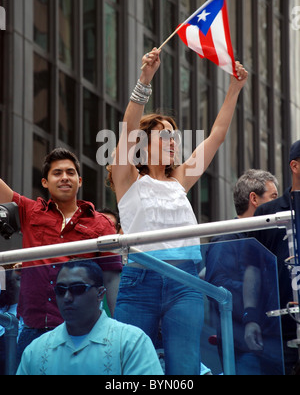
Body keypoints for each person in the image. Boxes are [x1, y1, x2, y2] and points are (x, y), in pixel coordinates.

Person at [107, 48, 248, 375]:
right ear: (143, 145)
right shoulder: (127, 179)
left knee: (184, 369)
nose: (174, 142)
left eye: (176, 136)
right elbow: (127, 131)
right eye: (165, 136)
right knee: (128, 368)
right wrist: (145, 79)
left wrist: (234, 89)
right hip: (139, 281)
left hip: (184, 283)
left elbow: (216, 136)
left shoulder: (179, 178)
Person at [0, 148, 122, 358]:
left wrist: (117, 329)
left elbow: (111, 278)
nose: (64, 177)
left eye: (70, 172)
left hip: (82, 333)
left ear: (80, 181)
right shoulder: (30, 212)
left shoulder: (100, 224)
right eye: (57, 173)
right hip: (33, 330)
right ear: (45, 182)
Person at [17, 260, 163, 375]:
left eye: (78, 289)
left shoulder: (131, 342)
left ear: (100, 294)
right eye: (60, 291)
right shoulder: (36, 349)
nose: (67, 297)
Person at [205, 169, 283, 375]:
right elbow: (218, 287)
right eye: (273, 197)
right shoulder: (226, 239)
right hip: (243, 346)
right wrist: (262, 291)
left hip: (272, 341)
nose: (277, 205)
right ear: (254, 199)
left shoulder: (267, 239)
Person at [244, 140, 300, 375]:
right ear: (295, 166)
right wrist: (250, 317)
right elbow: (252, 269)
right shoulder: (268, 212)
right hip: (277, 330)